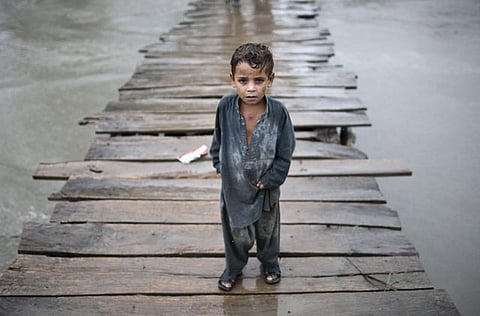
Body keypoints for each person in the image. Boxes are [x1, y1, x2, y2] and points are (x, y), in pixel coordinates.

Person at [209, 43, 296, 292]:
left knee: (267, 230)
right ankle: (233, 267)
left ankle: (269, 263)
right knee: (236, 233)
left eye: (258, 80)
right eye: (243, 80)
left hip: (266, 188)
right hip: (234, 189)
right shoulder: (225, 107)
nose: (250, 88)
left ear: (270, 79)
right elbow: (218, 139)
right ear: (232, 80)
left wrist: (272, 178)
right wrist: (220, 165)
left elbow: (286, 150)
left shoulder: (278, 112)